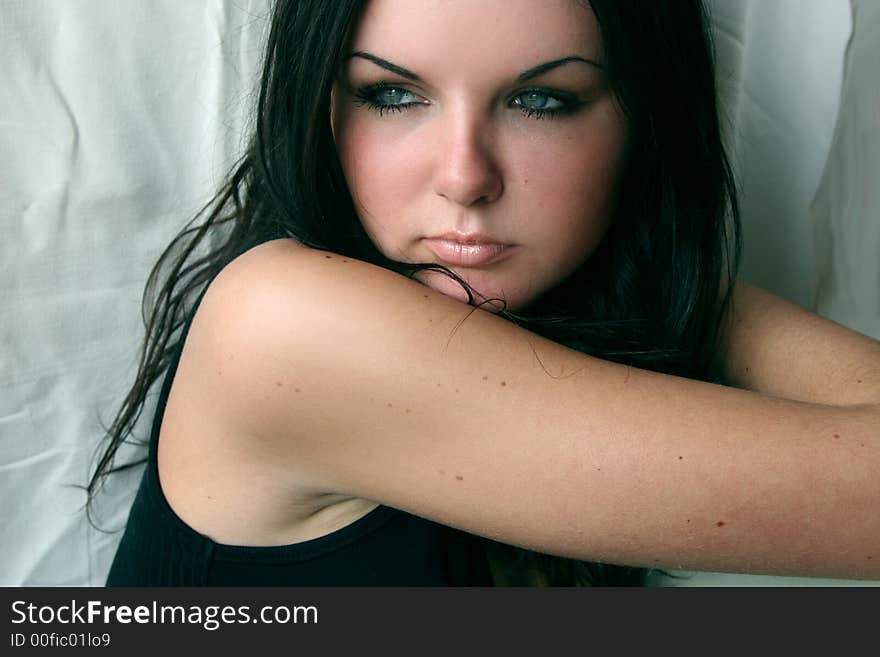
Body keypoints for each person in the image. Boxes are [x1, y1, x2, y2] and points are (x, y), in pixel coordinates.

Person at [90, 0, 880, 586]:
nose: (466, 177)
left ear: (645, 121)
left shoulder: (592, 310)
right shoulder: (284, 325)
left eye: (542, 100)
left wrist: (650, 259)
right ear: (322, 107)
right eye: (393, 96)